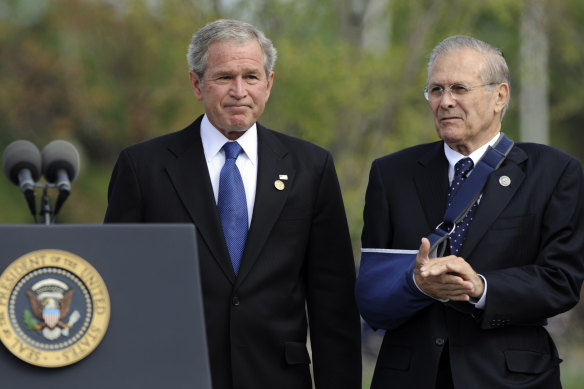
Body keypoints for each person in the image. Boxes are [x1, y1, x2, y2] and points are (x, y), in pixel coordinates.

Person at [104, 19, 361, 389]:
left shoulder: (311, 167)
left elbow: (333, 303)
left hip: (277, 378)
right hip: (174, 376)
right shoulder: (144, 168)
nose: (239, 91)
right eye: (225, 77)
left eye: (252, 77)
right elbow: (118, 289)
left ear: (269, 84)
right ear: (196, 83)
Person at [355, 35, 584, 388]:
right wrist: (416, 285)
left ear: (500, 96)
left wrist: (481, 287)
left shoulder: (553, 172)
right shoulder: (391, 174)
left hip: (509, 378)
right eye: (436, 90)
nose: (445, 102)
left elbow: (561, 282)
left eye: (459, 88)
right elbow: (371, 295)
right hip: (410, 376)